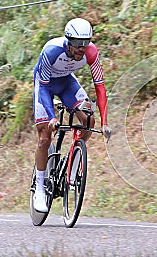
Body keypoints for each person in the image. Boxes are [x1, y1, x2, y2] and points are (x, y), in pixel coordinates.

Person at [32, 18, 111, 212]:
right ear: (68, 41)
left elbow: (100, 87)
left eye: (85, 44)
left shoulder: (91, 52)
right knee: (44, 137)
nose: (81, 49)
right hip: (45, 86)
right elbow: (42, 87)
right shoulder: (51, 51)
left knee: (89, 120)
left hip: (67, 83)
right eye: (77, 44)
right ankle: (40, 188)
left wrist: (104, 122)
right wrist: (51, 117)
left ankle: (73, 161)